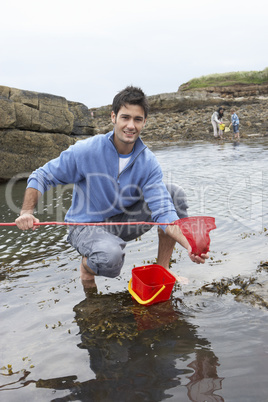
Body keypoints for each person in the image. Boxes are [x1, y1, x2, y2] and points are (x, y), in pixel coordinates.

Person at [15, 86, 208, 287]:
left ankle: (162, 269)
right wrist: (27, 211)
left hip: (122, 222)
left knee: (173, 194)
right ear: (113, 117)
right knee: (111, 259)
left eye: (137, 119)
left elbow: (165, 213)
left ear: (144, 122)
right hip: (85, 226)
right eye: (125, 117)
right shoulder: (86, 150)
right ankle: (87, 266)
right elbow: (42, 175)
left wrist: (190, 246)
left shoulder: (148, 162)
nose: (131, 125)